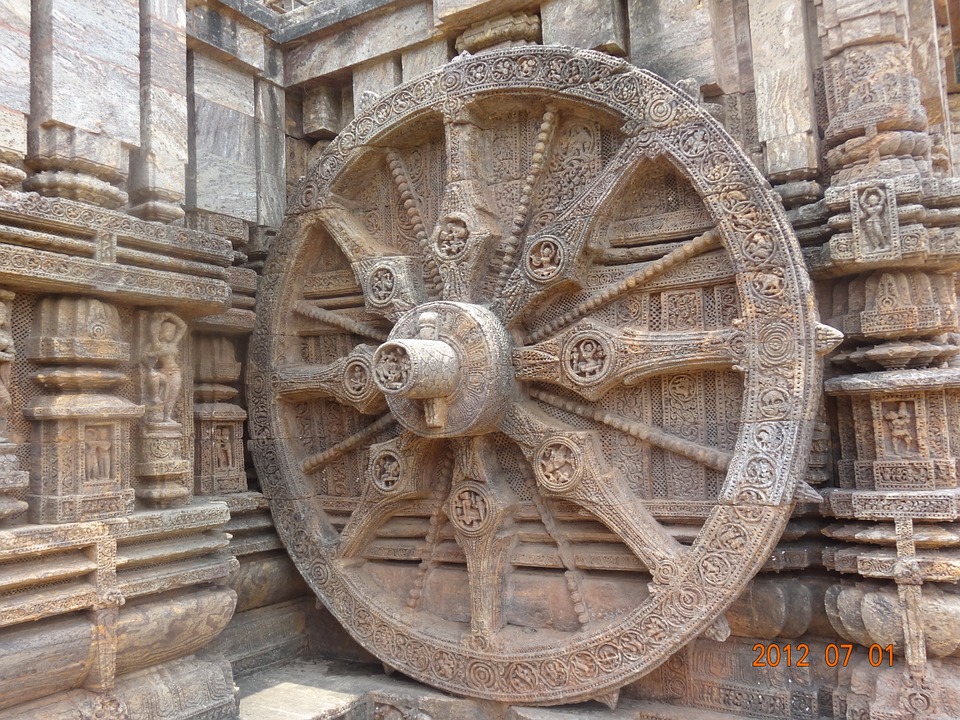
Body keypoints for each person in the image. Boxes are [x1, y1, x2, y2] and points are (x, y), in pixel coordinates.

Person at [142, 312, 187, 424]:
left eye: (172, 332)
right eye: (168, 331)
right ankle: (154, 398)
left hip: (175, 372)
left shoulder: (173, 344)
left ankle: (167, 417)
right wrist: (153, 354)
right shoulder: (156, 344)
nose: (171, 334)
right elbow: (144, 357)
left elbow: (183, 327)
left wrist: (171, 316)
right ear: (161, 332)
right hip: (163, 372)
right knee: (153, 375)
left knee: (172, 395)